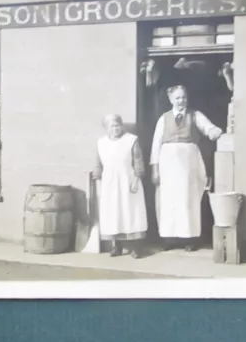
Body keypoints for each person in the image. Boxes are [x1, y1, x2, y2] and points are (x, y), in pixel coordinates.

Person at [150, 85, 223, 252]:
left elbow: (208, 127)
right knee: (168, 200)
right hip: (167, 163)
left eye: (183, 97)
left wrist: (213, 131)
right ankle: (169, 238)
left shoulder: (194, 115)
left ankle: (190, 238)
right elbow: (156, 145)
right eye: (177, 98)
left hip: (189, 162)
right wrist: (155, 169)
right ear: (171, 100)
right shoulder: (164, 118)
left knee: (188, 199)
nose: (181, 101)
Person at [92, 114, 148, 259]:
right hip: (110, 183)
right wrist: (98, 180)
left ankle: (136, 247)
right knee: (114, 214)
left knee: (131, 213)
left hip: (128, 181)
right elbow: (98, 165)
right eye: (112, 126)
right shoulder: (101, 143)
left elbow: (138, 161)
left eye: (118, 125)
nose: (116, 129)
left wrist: (136, 179)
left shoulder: (131, 140)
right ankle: (117, 246)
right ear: (107, 128)